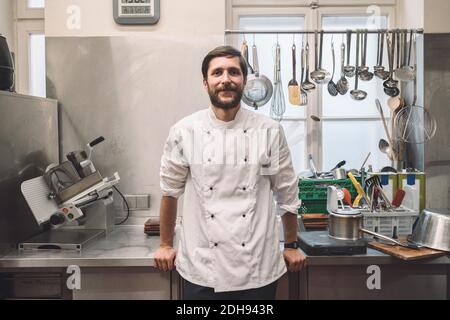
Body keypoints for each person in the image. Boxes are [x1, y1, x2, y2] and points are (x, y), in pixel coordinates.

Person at [154, 46, 306, 300]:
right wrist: (165, 245)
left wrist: (291, 245)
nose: (226, 79)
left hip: (257, 267)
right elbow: (170, 192)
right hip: (203, 267)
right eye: (218, 73)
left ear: (244, 81)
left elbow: (286, 193)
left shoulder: (268, 131)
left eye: (234, 72)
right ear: (206, 83)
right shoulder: (185, 131)